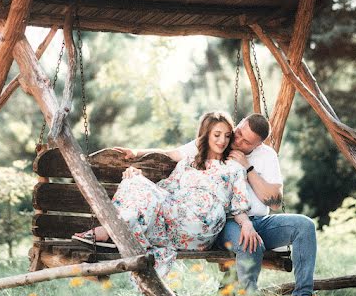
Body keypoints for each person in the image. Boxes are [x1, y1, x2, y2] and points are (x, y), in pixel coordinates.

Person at [115, 113, 323, 296]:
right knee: (249, 243)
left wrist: (247, 168)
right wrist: (136, 152)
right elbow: (172, 154)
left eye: (246, 141)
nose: (237, 140)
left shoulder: (266, 155)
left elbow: (275, 202)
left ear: (258, 145)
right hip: (227, 223)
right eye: (239, 133)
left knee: (304, 226)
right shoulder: (219, 140)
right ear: (239, 124)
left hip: (261, 222)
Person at [72, 111, 259, 278]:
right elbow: (165, 192)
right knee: (134, 179)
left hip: (202, 228)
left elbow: (238, 207)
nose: (222, 141)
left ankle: (109, 231)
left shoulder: (234, 168)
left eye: (227, 136)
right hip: (175, 222)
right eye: (216, 135)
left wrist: (247, 225)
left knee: (139, 184)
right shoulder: (187, 163)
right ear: (205, 135)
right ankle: (114, 232)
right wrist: (137, 176)